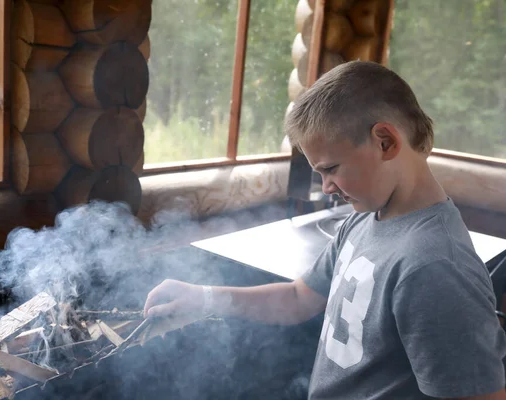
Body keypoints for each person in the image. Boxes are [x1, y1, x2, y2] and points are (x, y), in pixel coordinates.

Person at [143, 61, 506, 399]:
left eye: (331, 168)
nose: (327, 186)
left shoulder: (435, 267)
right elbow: (299, 298)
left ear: (385, 142)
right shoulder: (364, 217)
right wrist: (204, 298)